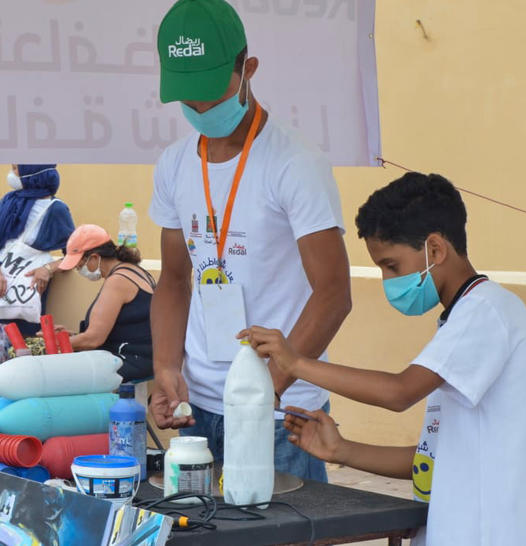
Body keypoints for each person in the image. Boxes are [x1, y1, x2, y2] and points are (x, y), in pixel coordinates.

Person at [242, 173, 526, 545]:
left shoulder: (485, 312)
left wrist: (295, 363)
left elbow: (399, 392)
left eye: (391, 266)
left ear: (435, 250)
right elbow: (430, 460)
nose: (387, 279)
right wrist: (341, 449)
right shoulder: (466, 319)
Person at [148, 0, 352, 482]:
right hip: (200, 408)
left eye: (212, 96)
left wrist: (270, 388)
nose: (200, 109)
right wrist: (165, 366)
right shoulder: (175, 164)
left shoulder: (294, 163)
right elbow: (175, 280)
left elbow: (334, 294)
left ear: (248, 70)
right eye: (189, 99)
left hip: (282, 415)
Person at [0, 164, 74, 367]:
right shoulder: (9, 201)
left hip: (19, 298)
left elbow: (74, 253)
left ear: (33, 174)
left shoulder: (56, 210)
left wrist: (48, 269)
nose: (12, 173)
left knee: (9, 364)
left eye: (16, 169)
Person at [34, 224, 156, 382]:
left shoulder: (118, 281)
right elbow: (124, 328)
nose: (79, 270)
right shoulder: (134, 271)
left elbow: (93, 340)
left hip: (132, 360)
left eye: (79, 265)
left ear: (94, 257)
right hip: (143, 357)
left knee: (52, 375)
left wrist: (51, 344)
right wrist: (70, 336)